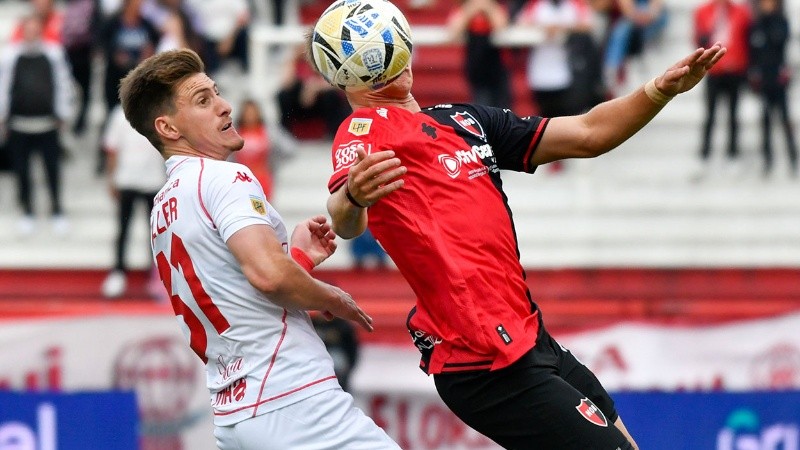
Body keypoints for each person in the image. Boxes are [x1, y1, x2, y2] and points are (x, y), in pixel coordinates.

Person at [311, 1, 727, 446]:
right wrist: (353, 197)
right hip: (482, 363)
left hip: (530, 338)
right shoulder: (364, 131)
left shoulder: (465, 121)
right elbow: (346, 219)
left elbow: (589, 134)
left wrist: (658, 91)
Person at [118, 48, 401, 450]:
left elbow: (234, 292)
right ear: (168, 127)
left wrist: (297, 262)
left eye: (216, 92)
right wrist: (332, 298)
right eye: (203, 100)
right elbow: (268, 276)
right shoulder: (224, 175)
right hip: (291, 396)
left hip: (235, 414)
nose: (224, 105)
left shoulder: (163, 205)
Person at [0, 14, 75, 236]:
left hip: (47, 125)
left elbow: (62, 83)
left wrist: (63, 113)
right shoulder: (9, 55)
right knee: (22, 171)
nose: (32, 33)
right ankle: (27, 211)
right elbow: (4, 86)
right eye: (28, 29)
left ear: (41, 30)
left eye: (36, 29)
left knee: (52, 171)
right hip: (19, 125)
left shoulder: (54, 53)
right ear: (22, 31)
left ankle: (57, 210)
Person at [100, 104, 167, 298]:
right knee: (123, 229)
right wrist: (112, 178)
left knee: (156, 234)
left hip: (154, 182)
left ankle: (156, 276)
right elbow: (112, 148)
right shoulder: (120, 115)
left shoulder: (159, 112)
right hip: (127, 180)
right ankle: (118, 272)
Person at [693, 0, 751, 178]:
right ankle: (704, 155)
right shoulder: (703, 12)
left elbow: (746, 41)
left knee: (734, 114)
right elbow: (699, 39)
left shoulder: (741, 12)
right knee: (710, 114)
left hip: (735, 70)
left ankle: (732, 154)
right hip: (714, 71)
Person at [748, 0, 797, 179]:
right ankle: (767, 160)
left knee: (784, 119)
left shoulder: (780, 22)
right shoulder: (756, 24)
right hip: (764, 80)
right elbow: (754, 51)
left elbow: (778, 41)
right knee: (766, 121)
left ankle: (793, 158)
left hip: (778, 79)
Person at [447, 0, 512, 109]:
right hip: (476, 65)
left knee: (503, 105)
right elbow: (453, 32)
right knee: (483, 104)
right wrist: (472, 8)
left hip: (497, 65)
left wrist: (488, 8)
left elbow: (502, 27)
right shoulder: (464, 9)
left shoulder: (495, 8)